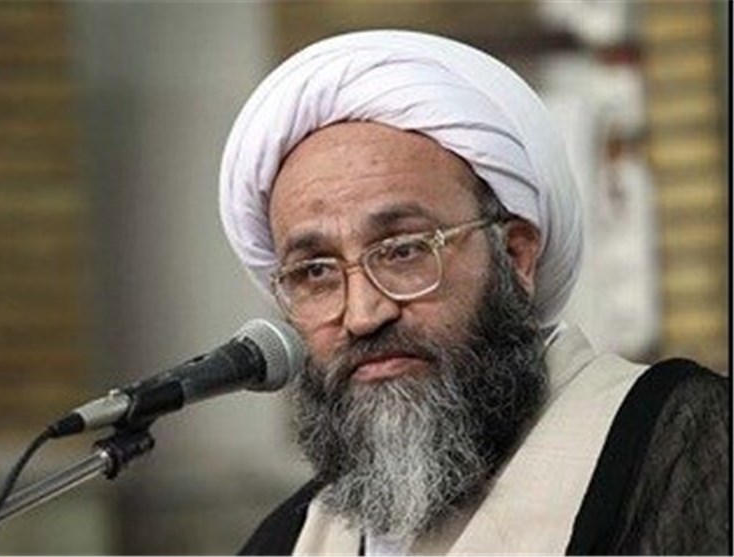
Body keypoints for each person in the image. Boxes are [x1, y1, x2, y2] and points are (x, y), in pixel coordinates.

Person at [217, 30, 730, 555]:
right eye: (316, 272)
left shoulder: (685, 444)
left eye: (403, 250)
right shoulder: (286, 542)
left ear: (516, 255)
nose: (364, 314)